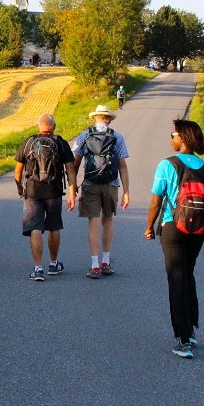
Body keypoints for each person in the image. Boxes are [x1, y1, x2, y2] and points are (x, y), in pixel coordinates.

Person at [145, 119, 204, 359]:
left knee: (176, 279)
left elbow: (156, 202)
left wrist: (148, 227)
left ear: (183, 138)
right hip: (198, 232)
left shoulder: (167, 165)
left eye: (174, 135)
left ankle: (184, 339)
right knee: (187, 275)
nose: (171, 139)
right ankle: (191, 330)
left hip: (173, 229)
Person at [70, 105, 130, 279]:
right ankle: (106, 261)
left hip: (90, 183)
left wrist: (72, 189)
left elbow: (74, 165)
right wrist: (126, 191)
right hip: (111, 184)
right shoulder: (117, 137)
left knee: (93, 223)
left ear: (94, 118)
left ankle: (94, 265)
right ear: (109, 119)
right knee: (108, 219)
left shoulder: (84, 135)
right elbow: (123, 166)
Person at [14, 113, 76, 281]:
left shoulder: (28, 142)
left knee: (35, 227)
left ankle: (38, 268)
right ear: (53, 127)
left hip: (33, 191)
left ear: (38, 127)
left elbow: (18, 172)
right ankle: (54, 264)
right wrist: (72, 193)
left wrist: (20, 187)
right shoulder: (61, 143)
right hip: (54, 192)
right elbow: (71, 170)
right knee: (54, 226)